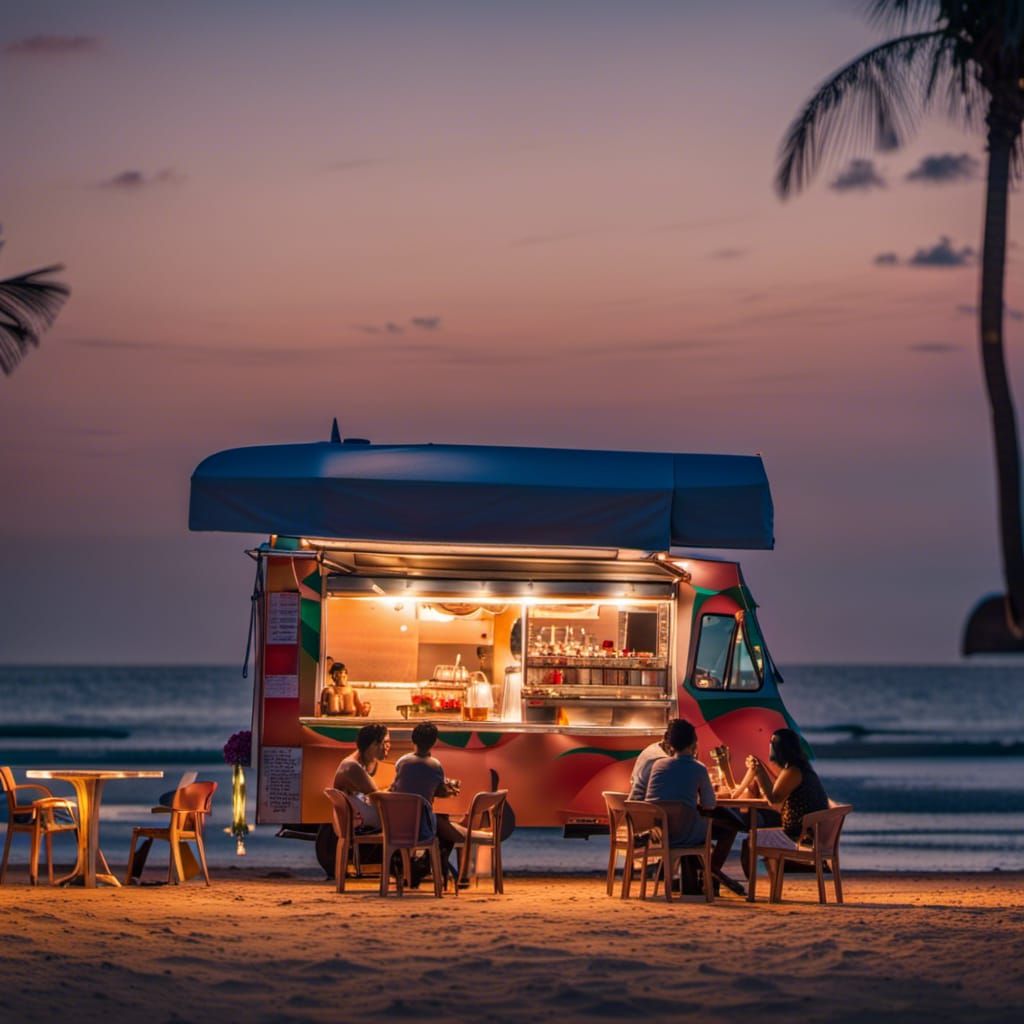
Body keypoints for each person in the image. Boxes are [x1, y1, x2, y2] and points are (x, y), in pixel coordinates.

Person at [644, 718, 745, 896]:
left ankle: (705, 875)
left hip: (659, 831)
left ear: (670, 744)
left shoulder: (658, 765)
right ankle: (712, 872)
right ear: (694, 743)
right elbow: (709, 804)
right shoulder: (698, 768)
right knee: (729, 829)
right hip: (686, 831)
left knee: (692, 820)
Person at [730, 727, 829, 866]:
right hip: (807, 831)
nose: (769, 746)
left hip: (799, 836)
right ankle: (773, 883)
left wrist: (759, 771)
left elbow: (773, 799)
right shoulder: (800, 767)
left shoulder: (794, 771)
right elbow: (775, 795)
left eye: (772, 743)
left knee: (750, 840)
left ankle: (753, 887)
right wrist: (759, 771)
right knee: (762, 830)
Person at [391, 720, 463, 885]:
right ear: (434, 742)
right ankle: (429, 866)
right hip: (422, 825)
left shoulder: (402, 762)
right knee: (445, 831)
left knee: (440, 824)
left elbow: (398, 786)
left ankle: (413, 867)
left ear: (412, 740)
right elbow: (440, 791)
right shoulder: (435, 766)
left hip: (397, 823)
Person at [333, 723, 391, 832]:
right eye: (386, 742)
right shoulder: (352, 766)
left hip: (358, 819)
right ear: (373, 744)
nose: (388, 746)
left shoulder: (362, 762)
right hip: (358, 823)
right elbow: (377, 796)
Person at [628, 718, 679, 799]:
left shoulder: (653, 748)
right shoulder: (661, 762)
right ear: (666, 737)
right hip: (650, 807)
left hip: (639, 805)